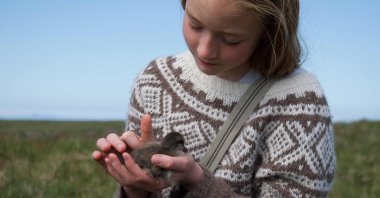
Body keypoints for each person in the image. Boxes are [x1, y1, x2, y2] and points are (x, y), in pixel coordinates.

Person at [92, 0, 336, 197]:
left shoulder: (298, 100)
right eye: (195, 25)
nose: (205, 50)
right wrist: (134, 188)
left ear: (268, 31)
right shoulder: (155, 79)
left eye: (230, 39)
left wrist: (198, 181)